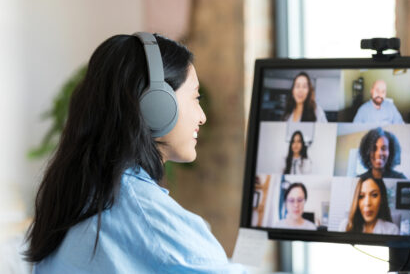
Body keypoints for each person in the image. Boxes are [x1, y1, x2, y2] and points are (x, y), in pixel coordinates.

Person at [25, 33, 246, 273]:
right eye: (195, 97)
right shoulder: (144, 213)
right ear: (157, 105)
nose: (202, 117)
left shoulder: (79, 195)